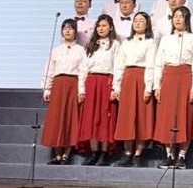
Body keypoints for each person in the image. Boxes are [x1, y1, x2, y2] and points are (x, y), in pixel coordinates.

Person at [153, 6, 193, 170]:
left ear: (187, 20)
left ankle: (182, 156)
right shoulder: (166, 39)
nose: (178, 19)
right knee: (167, 117)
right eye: (175, 16)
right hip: (168, 78)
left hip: (185, 78)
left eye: (181, 16)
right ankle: (169, 155)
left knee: (184, 116)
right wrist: (157, 86)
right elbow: (158, 64)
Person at [112, 11, 156, 167]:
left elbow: (151, 66)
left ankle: (138, 154)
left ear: (147, 24)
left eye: (141, 21)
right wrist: (116, 86)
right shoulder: (126, 43)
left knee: (141, 117)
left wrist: (148, 87)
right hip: (128, 79)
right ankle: (127, 152)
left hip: (142, 78)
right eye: (135, 20)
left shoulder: (150, 43)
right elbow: (119, 65)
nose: (137, 23)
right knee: (127, 116)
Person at [41, 19, 86, 165]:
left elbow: (83, 71)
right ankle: (57, 154)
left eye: (70, 28)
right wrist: (47, 88)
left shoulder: (81, 50)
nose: (67, 31)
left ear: (75, 32)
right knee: (56, 118)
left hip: (72, 85)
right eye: (65, 28)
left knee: (70, 118)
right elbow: (49, 70)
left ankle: (66, 154)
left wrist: (81, 91)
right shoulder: (56, 50)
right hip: (58, 86)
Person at [79, 14, 120, 166]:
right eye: (99, 26)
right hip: (91, 82)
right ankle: (94, 151)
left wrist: (115, 87)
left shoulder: (115, 45)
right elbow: (83, 69)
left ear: (110, 28)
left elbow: (118, 67)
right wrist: (81, 89)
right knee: (91, 117)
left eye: (104, 25)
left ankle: (104, 152)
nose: (101, 28)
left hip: (106, 82)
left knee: (104, 118)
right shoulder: (90, 45)